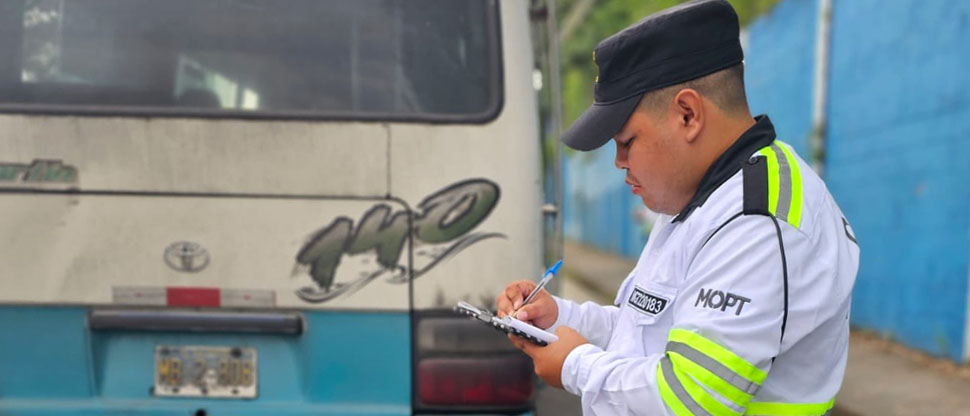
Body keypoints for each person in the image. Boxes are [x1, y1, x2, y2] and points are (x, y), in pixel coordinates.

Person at [495, 1, 860, 415]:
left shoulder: (758, 220)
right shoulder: (702, 198)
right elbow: (645, 331)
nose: (618, 162)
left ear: (688, 114)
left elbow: (690, 398)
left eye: (626, 142)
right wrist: (561, 316)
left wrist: (576, 366)